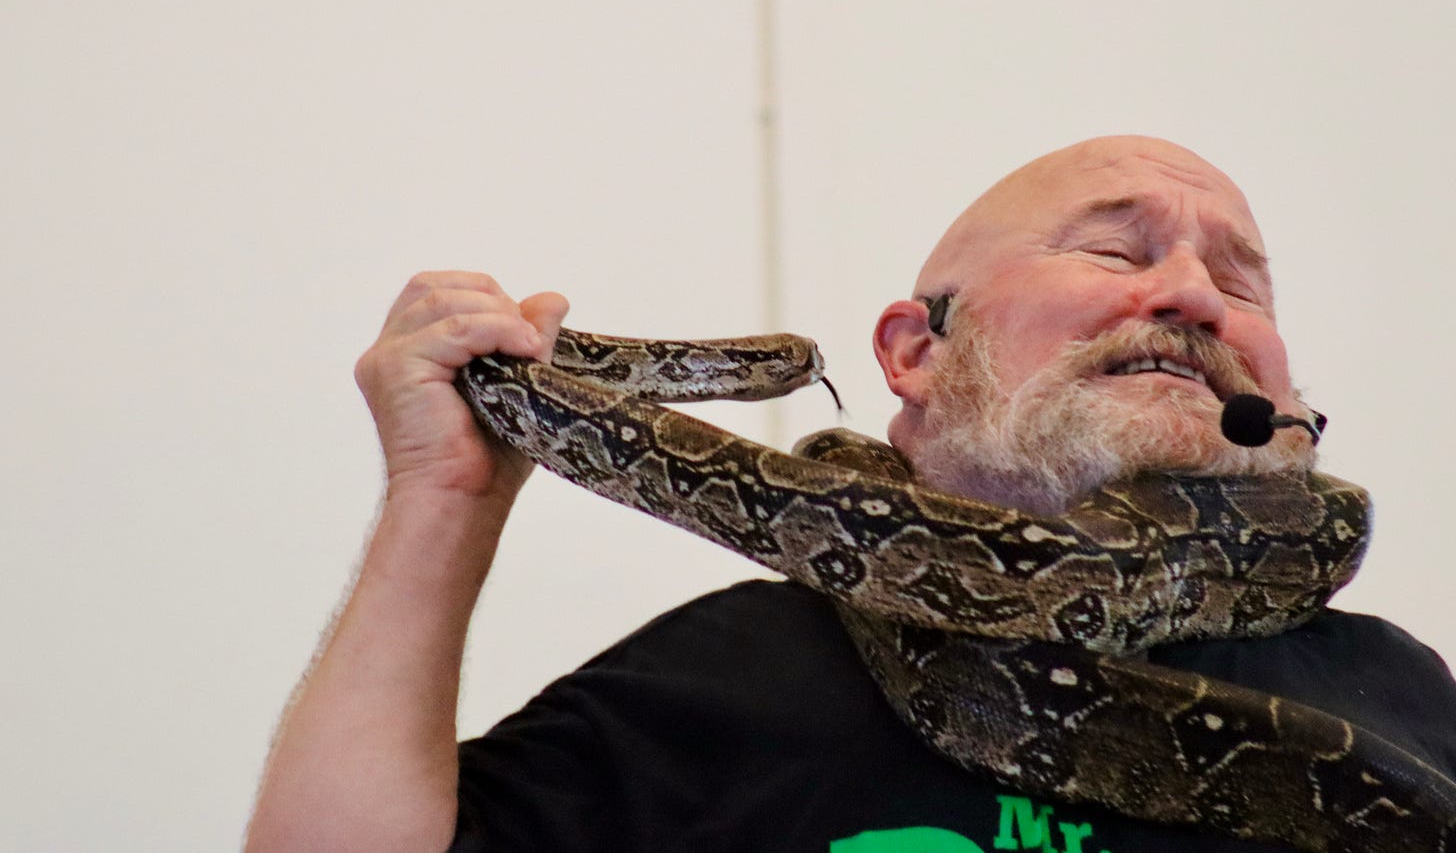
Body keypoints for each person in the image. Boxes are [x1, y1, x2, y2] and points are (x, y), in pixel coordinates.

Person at [245, 136, 1456, 853]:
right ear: (914, 351)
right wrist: (441, 493)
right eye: (1113, 249)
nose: (1192, 293)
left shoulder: (1398, 691)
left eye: (1239, 282)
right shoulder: (720, 674)